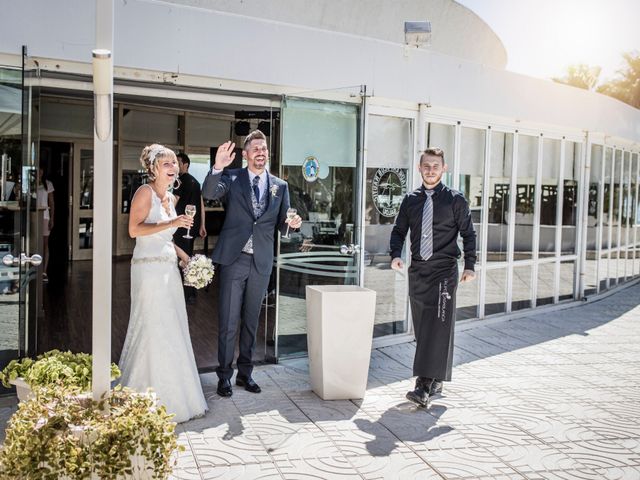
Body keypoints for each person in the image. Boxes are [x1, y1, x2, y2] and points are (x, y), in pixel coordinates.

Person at [203, 130, 302, 398]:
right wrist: (217, 167)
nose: (261, 152)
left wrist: (292, 225)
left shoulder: (279, 186)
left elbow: (284, 225)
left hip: (261, 262)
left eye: (264, 148)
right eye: (256, 148)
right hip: (234, 260)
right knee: (228, 320)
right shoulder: (232, 178)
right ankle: (224, 376)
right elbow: (209, 192)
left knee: (251, 321)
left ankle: (245, 375)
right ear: (246, 154)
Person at [119, 144, 207, 423]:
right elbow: (134, 230)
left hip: (169, 268)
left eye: (174, 164)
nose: (172, 168)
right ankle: (143, 396)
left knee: (173, 326)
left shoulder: (170, 197)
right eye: (166, 164)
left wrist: (187, 259)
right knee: (151, 325)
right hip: (148, 270)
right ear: (153, 169)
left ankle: (176, 395)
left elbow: (167, 238)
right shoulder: (144, 193)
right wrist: (173, 223)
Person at [389, 147, 476, 408]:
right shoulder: (410, 200)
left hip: (444, 271)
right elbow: (398, 230)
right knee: (426, 327)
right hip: (418, 271)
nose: (430, 170)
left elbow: (469, 234)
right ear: (419, 168)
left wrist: (470, 265)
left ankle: (423, 386)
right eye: (426, 166)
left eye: (435, 166)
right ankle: (437, 378)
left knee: (437, 325)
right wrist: (395, 254)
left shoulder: (455, 200)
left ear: (444, 168)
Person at [173, 152, 207, 304]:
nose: (175, 165)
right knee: (187, 256)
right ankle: (190, 293)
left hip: (181, 226)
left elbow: (174, 201)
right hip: (191, 227)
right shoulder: (196, 182)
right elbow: (201, 205)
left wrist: (165, 220)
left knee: (182, 259)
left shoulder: (178, 181)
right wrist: (202, 225)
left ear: (185, 164)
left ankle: (187, 294)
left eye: (177, 162)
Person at [36, 168, 55, 281]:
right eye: (37, 170)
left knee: (44, 244)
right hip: (33, 217)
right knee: (34, 243)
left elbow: (52, 202)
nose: (39, 172)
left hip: (44, 216)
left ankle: (44, 271)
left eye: (41, 170)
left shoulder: (48, 184)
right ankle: (35, 269)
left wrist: (52, 218)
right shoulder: (31, 183)